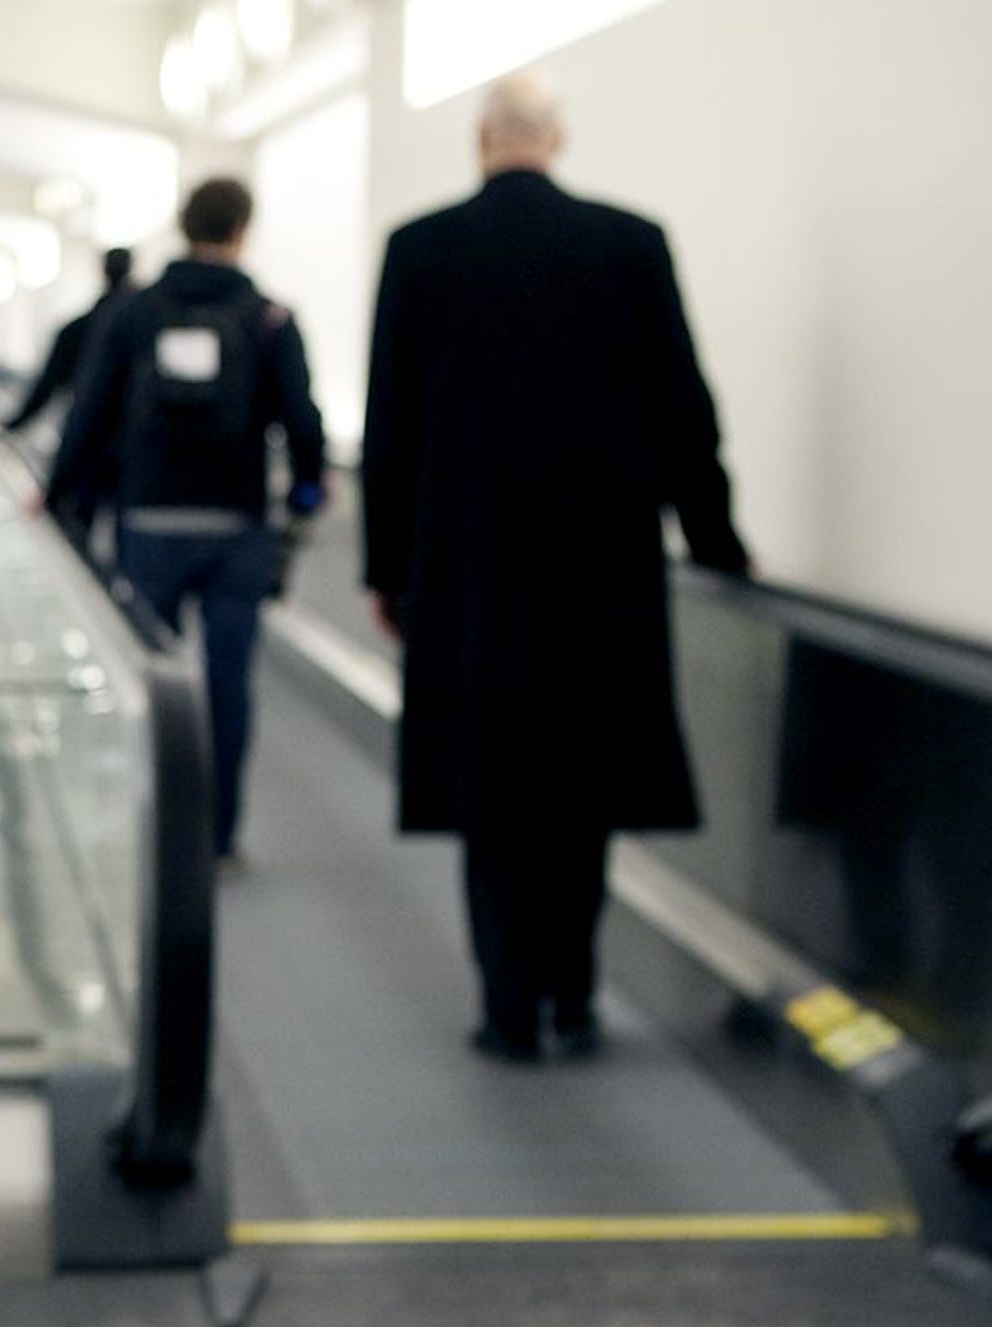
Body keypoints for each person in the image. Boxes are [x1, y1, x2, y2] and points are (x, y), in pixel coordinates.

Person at [360, 70, 752, 1065]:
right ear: (556, 139)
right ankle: (573, 994)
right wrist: (713, 541)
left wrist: (385, 569)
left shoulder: (420, 251)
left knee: (489, 794)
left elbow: (390, 427)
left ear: (480, 139)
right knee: (582, 787)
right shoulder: (628, 245)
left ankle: (506, 1009)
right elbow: (681, 410)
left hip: (464, 570)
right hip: (600, 568)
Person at [49, 179, 328, 869]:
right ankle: (219, 835)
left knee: (150, 680)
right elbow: (303, 423)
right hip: (236, 526)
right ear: (243, 230)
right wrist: (303, 497)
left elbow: (90, 409)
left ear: (181, 225)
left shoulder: (137, 312)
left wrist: (59, 493)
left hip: (150, 522)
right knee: (229, 686)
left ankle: (150, 826)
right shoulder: (268, 318)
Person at [6, 247, 137, 432]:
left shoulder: (76, 329)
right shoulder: (148, 326)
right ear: (132, 270)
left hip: (91, 434)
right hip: (134, 441)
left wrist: (13, 425)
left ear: (102, 271)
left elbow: (46, 386)